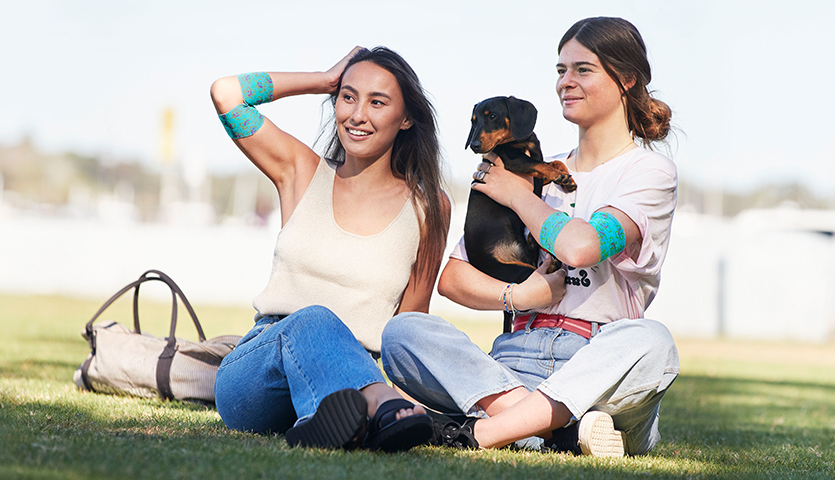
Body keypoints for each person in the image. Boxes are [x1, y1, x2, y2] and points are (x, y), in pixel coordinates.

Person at [381, 17, 679, 457]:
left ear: (626, 79)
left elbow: (581, 248)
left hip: (597, 362)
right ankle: (557, 430)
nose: (566, 82)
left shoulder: (649, 173)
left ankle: (483, 430)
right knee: (403, 332)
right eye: (561, 70)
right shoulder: (529, 167)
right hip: (512, 359)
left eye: (583, 69)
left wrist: (517, 196)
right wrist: (519, 297)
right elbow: (453, 279)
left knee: (652, 341)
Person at [210, 46, 450, 452]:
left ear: (406, 117)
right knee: (314, 319)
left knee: (337, 353)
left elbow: (409, 322)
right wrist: (323, 79)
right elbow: (226, 93)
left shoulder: (430, 207)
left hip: (352, 374)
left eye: (378, 102)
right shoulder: (301, 171)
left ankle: (341, 418)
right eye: (348, 96)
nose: (357, 114)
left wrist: (410, 388)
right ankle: (376, 405)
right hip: (258, 374)